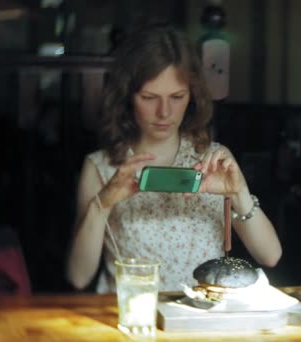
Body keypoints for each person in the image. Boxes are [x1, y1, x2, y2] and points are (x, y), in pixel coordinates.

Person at [66, 23, 282, 292]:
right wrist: (102, 205)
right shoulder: (100, 166)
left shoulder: (213, 159)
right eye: (149, 97)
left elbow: (270, 255)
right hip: (132, 318)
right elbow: (78, 276)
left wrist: (239, 194)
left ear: (192, 96)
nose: (164, 112)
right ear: (127, 97)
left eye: (177, 97)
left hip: (200, 318)